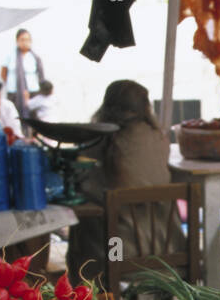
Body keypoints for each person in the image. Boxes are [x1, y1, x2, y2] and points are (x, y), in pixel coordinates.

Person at [69, 81, 181, 279]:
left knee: (84, 226)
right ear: (146, 108)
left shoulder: (96, 143)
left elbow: (86, 189)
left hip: (119, 252)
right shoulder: (159, 139)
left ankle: (90, 297)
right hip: (167, 248)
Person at [1, 28, 47, 130]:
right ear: (17, 41)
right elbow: (3, 73)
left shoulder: (35, 57)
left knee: (34, 119)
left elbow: (41, 76)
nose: (25, 42)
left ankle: (33, 138)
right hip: (14, 94)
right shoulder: (10, 56)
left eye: (27, 39)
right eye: (22, 39)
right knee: (15, 118)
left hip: (33, 93)